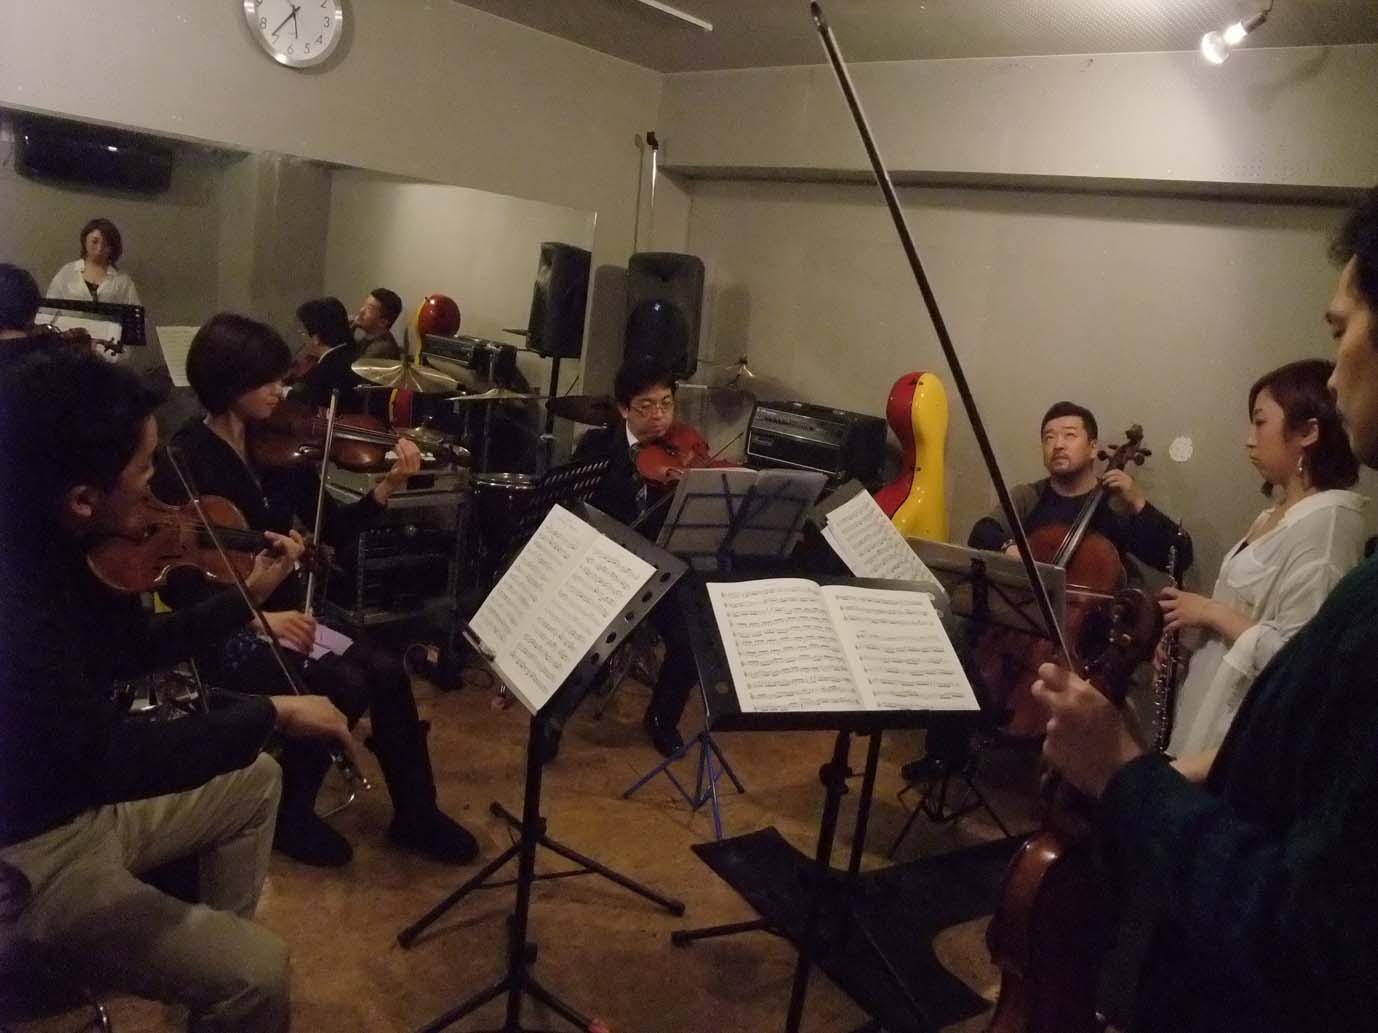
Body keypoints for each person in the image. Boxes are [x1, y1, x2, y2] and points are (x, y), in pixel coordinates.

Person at [1029, 184, 1378, 1033]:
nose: (1337, 371)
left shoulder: (1334, 523)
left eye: (1343, 330)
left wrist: (1127, 771)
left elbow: (1309, 931)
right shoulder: (1031, 495)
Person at [0, 347, 358, 1032]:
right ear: (82, 499)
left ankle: (197, 997)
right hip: (31, 856)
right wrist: (272, 711)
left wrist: (247, 596)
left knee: (256, 781)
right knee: (260, 973)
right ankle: (223, 987)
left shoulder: (56, 547)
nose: (156, 489)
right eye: (143, 471)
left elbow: (132, 648)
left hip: (77, 808)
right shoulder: (17, 612)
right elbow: (107, 759)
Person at [152, 312, 478, 868]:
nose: (281, 391)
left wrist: (388, 486)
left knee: (386, 670)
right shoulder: (184, 459)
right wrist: (255, 618)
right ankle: (290, 813)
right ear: (229, 382)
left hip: (292, 611)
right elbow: (181, 586)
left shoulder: (279, 449)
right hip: (227, 627)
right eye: (267, 381)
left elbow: (331, 531)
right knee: (342, 682)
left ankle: (417, 812)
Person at [1163, 359, 1365, 765]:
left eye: (1260, 422)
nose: (1249, 440)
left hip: (1244, 736)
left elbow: (1301, 661)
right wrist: (1190, 638)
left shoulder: (1327, 523)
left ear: (1307, 432)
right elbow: (1247, 614)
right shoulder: (1274, 514)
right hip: (1209, 710)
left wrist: (1210, 612)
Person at [564, 355, 699, 757]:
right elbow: (573, 511)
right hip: (606, 568)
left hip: (662, 569)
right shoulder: (596, 448)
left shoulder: (682, 452)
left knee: (691, 637)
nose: (659, 416)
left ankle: (662, 719)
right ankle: (554, 720)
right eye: (646, 406)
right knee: (581, 640)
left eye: (667, 404)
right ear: (624, 408)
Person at [969, 401, 1193, 576]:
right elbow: (982, 533)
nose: (1058, 445)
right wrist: (1009, 549)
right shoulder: (1028, 496)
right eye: (1049, 438)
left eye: (1069, 435)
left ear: (1093, 448)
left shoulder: (1116, 504)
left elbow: (1178, 559)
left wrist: (1138, 503)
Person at [46, 218, 142, 360]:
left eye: (106, 244)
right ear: (85, 241)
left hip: (107, 351)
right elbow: (49, 311)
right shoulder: (67, 272)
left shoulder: (123, 280)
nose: (99, 248)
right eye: (94, 241)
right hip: (69, 349)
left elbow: (133, 320)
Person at [289, 296, 368, 413]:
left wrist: (285, 392)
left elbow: (310, 404)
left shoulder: (325, 371)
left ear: (316, 338)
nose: (301, 338)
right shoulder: (352, 353)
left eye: (302, 332)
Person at [352, 287, 403, 360]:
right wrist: (351, 328)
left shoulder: (381, 349)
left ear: (383, 322)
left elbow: (350, 365)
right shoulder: (370, 338)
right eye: (364, 305)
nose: (361, 310)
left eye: (369, 309)